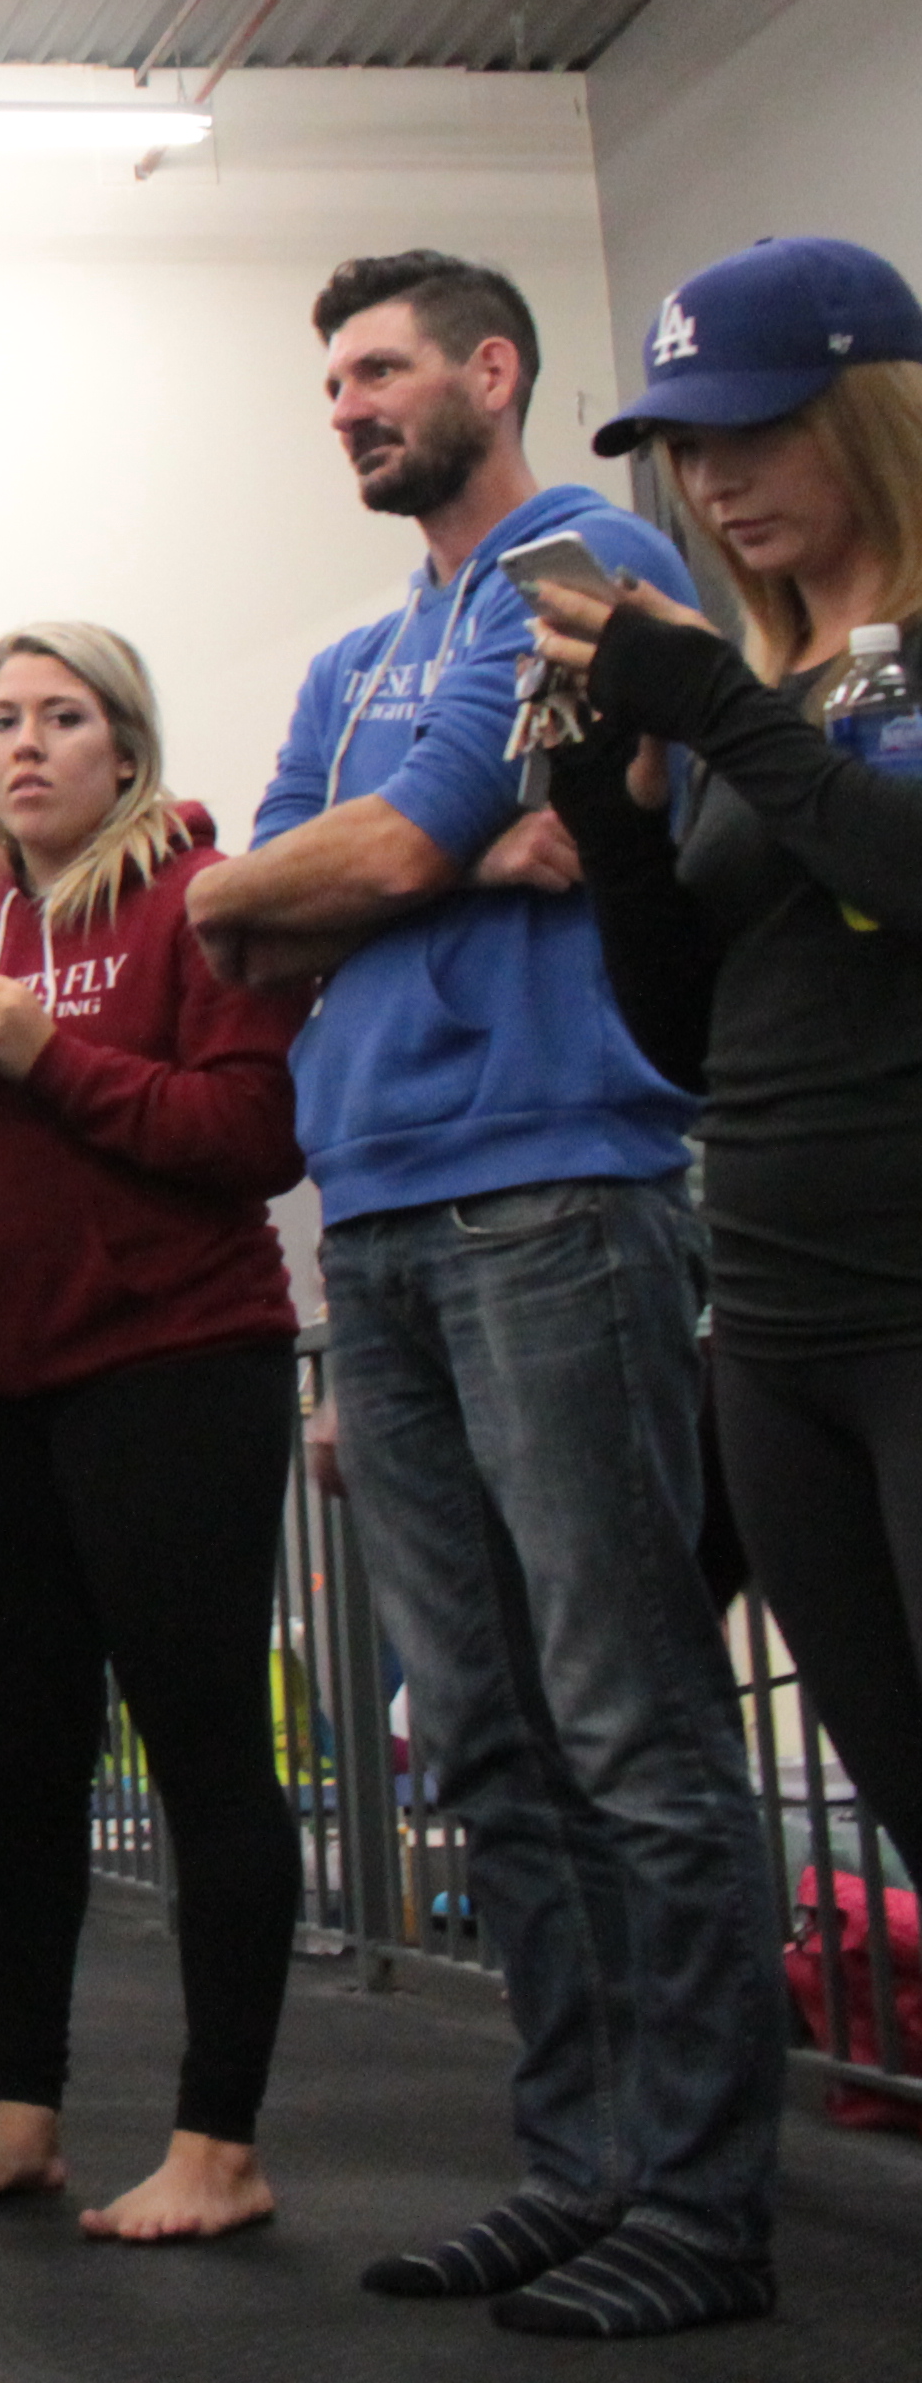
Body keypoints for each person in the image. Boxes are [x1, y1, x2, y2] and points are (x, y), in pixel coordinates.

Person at [182, 252, 780, 2340]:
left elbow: (381, 854)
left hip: (557, 1182)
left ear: (492, 369)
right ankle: (580, 2165)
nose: (347, 405)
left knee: (629, 1718)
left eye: (381, 369)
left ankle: (699, 2199)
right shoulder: (358, 655)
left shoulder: (582, 559)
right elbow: (238, 920)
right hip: (376, 1213)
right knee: (491, 1738)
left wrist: (394, 858)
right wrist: (357, 863)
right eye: (330, 380)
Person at [0, 624, 313, 2243]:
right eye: (2, 718)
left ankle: (220, 2143)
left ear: (125, 746)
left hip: (176, 1365)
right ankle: (21, 2117)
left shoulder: (205, 903)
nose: (26, 745)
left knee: (203, 1749)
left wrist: (49, 1058)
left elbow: (251, 1134)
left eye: (62, 717)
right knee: (23, 1763)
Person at [536, 236, 922, 1974]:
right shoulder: (775, 696)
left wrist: (719, 711)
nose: (711, 482)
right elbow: (693, 1036)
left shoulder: (794, 705)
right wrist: (613, 824)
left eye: (752, 432)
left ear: (871, 414)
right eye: (686, 449)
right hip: (774, 1321)